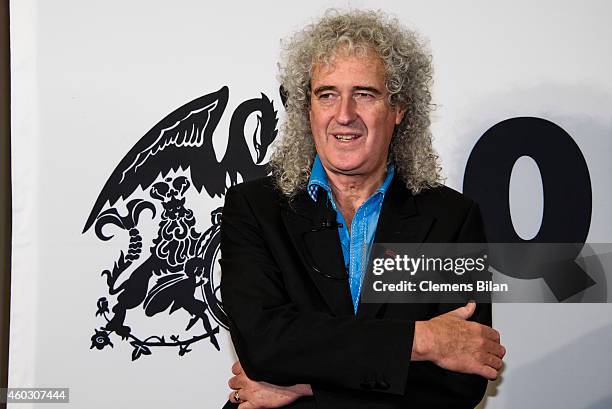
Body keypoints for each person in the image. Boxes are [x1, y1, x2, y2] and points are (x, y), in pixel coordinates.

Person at [220, 9, 505, 409]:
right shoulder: (253, 208)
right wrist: (422, 340)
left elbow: (462, 379)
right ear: (308, 109)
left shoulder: (451, 218)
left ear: (399, 108)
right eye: (327, 94)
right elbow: (264, 344)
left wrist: (306, 387)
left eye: (365, 94)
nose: (345, 114)